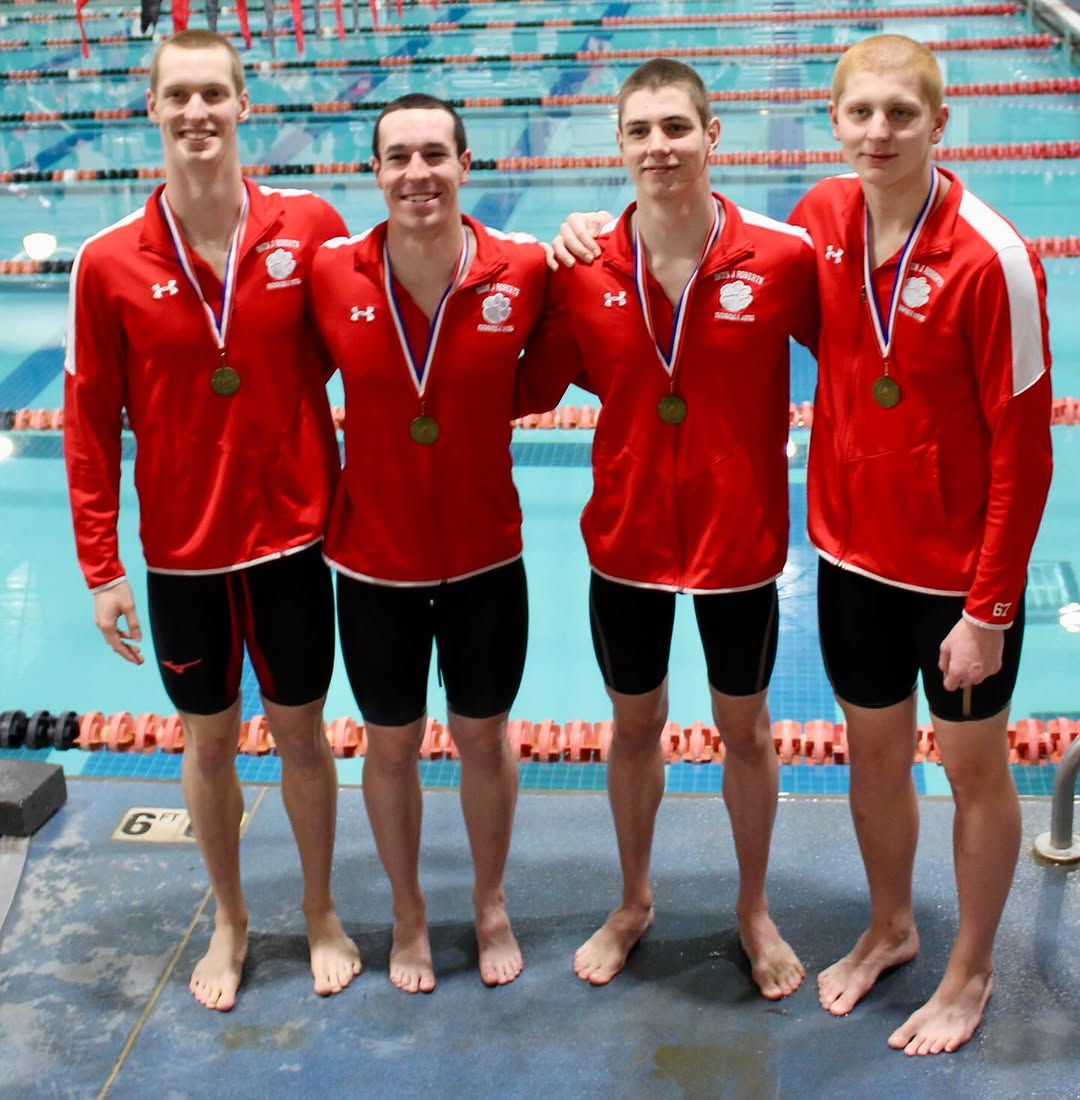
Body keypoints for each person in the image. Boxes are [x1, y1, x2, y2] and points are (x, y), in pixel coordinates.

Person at [64, 29, 360, 1011]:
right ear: (151, 108)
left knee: (304, 737)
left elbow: (372, 337)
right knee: (207, 743)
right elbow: (86, 424)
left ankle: (319, 907)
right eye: (179, 95)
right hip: (184, 557)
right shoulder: (107, 262)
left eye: (213, 94)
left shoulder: (308, 227)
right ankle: (230, 919)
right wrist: (101, 565)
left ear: (243, 105)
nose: (197, 112)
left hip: (293, 542)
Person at [521, 59, 818, 997]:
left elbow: (858, 363)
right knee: (634, 726)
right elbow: (525, 384)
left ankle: (754, 907)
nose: (659, 147)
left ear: (711, 135)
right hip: (628, 541)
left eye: (676, 128)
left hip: (740, 544)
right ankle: (633, 900)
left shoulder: (779, 258)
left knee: (746, 731)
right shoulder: (584, 269)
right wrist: (528, 266)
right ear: (618, 144)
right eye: (641, 131)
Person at [787, 34, 1052, 1055]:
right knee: (874, 755)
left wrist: (988, 610)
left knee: (975, 770)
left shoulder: (994, 259)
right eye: (861, 113)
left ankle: (971, 966)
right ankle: (892, 924)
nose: (879, 132)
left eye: (901, 113)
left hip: (955, 582)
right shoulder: (821, 217)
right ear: (835, 120)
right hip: (850, 558)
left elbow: (1025, 455)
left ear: (940, 121)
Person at [309, 94, 558, 994]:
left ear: (465, 165)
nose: (417, 173)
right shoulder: (330, 274)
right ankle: (409, 911)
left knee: (484, 740)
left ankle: (489, 901)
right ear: (375, 173)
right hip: (372, 563)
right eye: (398, 157)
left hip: (487, 557)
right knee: (390, 746)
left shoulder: (524, 268)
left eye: (434, 155)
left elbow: (560, 366)